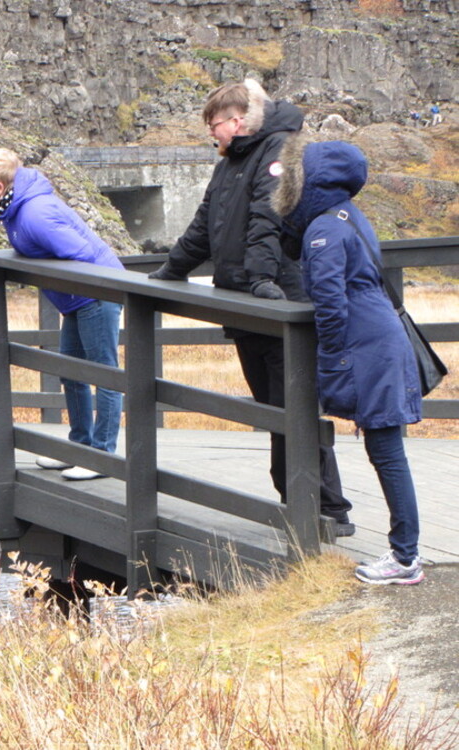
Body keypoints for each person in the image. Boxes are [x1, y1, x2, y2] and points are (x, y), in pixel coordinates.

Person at [147, 78, 355, 535]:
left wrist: (262, 280)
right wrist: (170, 271)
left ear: (237, 120)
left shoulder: (277, 149)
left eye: (214, 123)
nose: (211, 132)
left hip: (280, 301)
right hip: (248, 305)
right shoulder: (232, 162)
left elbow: (269, 215)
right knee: (272, 409)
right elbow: (207, 222)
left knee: (292, 409)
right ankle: (299, 503)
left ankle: (328, 509)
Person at [272, 136, 424, 584]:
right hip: (380, 340)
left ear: (312, 182)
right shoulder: (348, 217)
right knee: (387, 450)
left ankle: (405, 557)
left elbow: (331, 306)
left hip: (368, 348)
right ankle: (405, 553)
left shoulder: (323, 229)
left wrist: (333, 363)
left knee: (387, 452)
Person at [0, 147, 123, 481]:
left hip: (97, 294)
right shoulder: (17, 210)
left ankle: (101, 455)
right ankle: (79, 447)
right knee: (70, 373)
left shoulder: (34, 212)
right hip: (75, 301)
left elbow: (80, 255)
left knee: (103, 374)